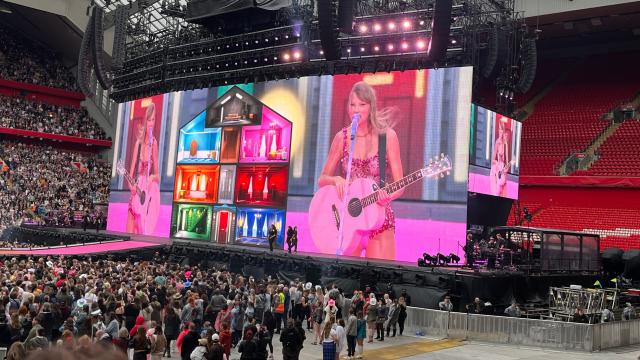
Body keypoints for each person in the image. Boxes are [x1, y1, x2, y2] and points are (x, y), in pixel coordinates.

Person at [317, 81, 404, 258]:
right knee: (348, 282)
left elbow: (400, 184)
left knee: (380, 279)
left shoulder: (387, 136)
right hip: (349, 221)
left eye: (362, 104)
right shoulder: (342, 137)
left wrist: (388, 194)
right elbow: (322, 179)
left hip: (379, 220)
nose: (356, 110)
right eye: (352, 104)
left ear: (371, 106)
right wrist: (336, 180)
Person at [126, 102, 160, 234]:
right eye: (149, 119)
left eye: (153, 120)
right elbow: (130, 172)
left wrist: (152, 177)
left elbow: (158, 175)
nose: (151, 123)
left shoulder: (154, 144)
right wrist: (131, 186)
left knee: (141, 232)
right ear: (145, 121)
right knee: (129, 232)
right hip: (136, 193)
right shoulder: (138, 144)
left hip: (147, 197)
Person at [490, 117, 511, 197]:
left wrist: (506, 168)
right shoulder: (498, 142)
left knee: (501, 188)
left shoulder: (505, 144)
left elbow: (508, 161)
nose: (501, 132)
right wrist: (495, 162)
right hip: (496, 167)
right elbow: (493, 158)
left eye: (502, 130)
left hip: (501, 167)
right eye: (500, 130)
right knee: (495, 191)